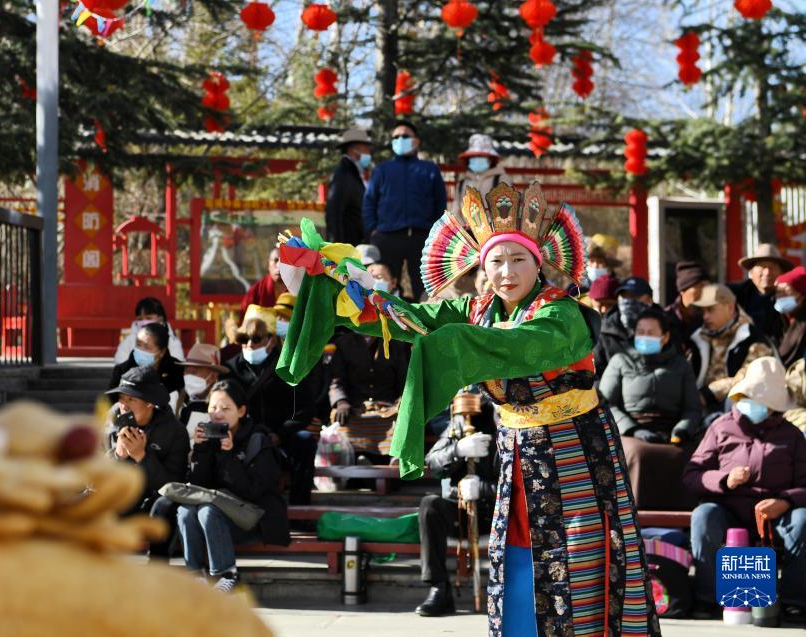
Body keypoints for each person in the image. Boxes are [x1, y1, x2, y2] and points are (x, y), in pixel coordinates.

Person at [277, 181, 661, 636]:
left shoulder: (562, 314)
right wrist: (347, 288)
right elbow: (411, 319)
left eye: (518, 260)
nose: (506, 272)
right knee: (516, 554)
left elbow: (513, 347)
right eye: (495, 261)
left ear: (538, 263)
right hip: (518, 451)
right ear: (481, 265)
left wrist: (449, 339)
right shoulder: (478, 309)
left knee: (579, 560)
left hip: (574, 452)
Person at [682, 357, 806, 623]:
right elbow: (692, 475)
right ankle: (707, 598)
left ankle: (794, 602)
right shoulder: (720, 427)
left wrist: (785, 501)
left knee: (803, 520)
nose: (752, 402)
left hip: (775, 515)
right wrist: (724, 480)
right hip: (728, 509)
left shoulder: (793, 436)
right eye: (748, 396)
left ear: (774, 406)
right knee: (704, 515)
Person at [177, 380, 290, 592]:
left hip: (254, 518)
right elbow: (199, 487)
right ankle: (195, 575)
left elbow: (251, 492)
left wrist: (228, 455)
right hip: (217, 518)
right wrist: (201, 450)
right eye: (213, 407)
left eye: (225, 408)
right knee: (185, 511)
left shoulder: (258, 440)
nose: (218, 413)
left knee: (208, 511)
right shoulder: (209, 437)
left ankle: (228, 575)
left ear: (241, 411)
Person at [599, 308, 701, 510]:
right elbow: (605, 403)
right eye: (641, 332)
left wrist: (682, 430)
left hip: (670, 431)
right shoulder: (620, 360)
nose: (645, 337)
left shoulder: (681, 365)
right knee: (640, 454)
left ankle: (679, 518)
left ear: (665, 337)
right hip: (630, 430)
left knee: (686, 455)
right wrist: (634, 429)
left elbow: (692, 408)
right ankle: (636, 514)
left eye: (651, 333)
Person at [225, 305, 320, 505]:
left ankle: (300, 507)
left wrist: (280, 434)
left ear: (272, 340)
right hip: (243, 435)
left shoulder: (289, 366)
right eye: (244, 339)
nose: (249, 344)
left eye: (256, 339)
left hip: (283, 436)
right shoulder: (231, 368)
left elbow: (305, 408)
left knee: (304, 441)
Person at [416, 396, 497, 617]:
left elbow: (523, 484)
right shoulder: (461, 423)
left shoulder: (509, 425)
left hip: (498, 513)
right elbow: (433, 462)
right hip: (460, 511)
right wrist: (457, 450)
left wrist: (484, 489)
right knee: (430, 505)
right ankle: (439, 587)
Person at [104, 365, 189, 548]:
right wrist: (117, 456)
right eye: (121, 398)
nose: (123, 405)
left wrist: (142, 457)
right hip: (118, 499)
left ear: (150, 402)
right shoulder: (111, 423)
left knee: (164, 506)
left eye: (131, 399)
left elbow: (173, 486)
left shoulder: (175, 431)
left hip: (153, 504)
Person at [362, 120, 447, 301]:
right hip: (387, 236)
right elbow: (369, 202)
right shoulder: (382, 169)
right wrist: (373, 231)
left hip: (422, 238)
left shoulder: (430, 169)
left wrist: (436, 235)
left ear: (416, 141)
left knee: (426, 288)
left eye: (405, 136)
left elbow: (440, 204)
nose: (400, 140)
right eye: (396, 137)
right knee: (384, 285)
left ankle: (426, 319)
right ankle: (384, 319)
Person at [688, 283, 773, 417]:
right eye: (703, 311)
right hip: (696, 409)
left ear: (730, 308)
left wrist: (709, 394)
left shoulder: (752, 337)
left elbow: (752, 377)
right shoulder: (699, 337)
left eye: (710, 310)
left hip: (738, 411)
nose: (705, 317)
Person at [328, 329, 410, 425]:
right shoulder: (343, 343)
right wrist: (341, 401)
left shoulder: (396, 343)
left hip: (390, 409)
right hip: (354, 409)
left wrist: (402, 402)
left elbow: (406, 382)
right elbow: (336, 381)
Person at [729, 243, 792, 346]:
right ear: (751, 271)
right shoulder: (735, 293)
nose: (767, 272)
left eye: (772, 267)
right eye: (762, 266)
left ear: (781, 272)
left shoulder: (789, 296)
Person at [109, 322, 184, 405]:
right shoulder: (122, 370)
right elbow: (110, 402)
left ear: (162, 352)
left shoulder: (177, 371)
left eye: (146, 347)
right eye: (138, 344)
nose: (140, 350)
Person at [593, 276, 654, 378]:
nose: (628, 301)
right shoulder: (604, 332)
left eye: (634, 297)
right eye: (624, 296)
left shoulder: (664, 328)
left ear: (649, 301)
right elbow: (594, 376)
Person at [325, 129, 372, 246]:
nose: (368, 153)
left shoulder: (354, 173)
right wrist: (336, 247)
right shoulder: (343, 174)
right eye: (366, 149)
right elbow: (334, 213)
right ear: (353, 150)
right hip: (347, 245)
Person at [178, 343, 229, 439]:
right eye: (186, 371)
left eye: (194, 372)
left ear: (213, 376)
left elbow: (218, 439)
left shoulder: (224, 406)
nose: (188, 376)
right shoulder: (178, 399)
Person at [114, 297, 185, 365]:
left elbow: (177, 365)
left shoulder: (172, 342)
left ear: (160, 319)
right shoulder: (129, 341)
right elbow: (120, 363)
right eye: (140, 319)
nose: (144, 322)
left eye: (148, 318)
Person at [663, 260, 708, 356]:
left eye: (708, 287)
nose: (705, 292)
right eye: (700, 286)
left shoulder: (710, 319)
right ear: (683, 290)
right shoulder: (665, 320)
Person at [455, 133, 513, 201]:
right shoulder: (462, 182)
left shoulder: (501, 180)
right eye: (473, 156)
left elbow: (508, 205)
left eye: (481, 156)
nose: (476, 159)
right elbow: (456, 206)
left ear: (490, 159)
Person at [240, 248, 287, 319]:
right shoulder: (256, 290)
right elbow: (243, 318)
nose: (279, 265)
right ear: (268, 264)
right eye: (276, 260)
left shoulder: (297, 290)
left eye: (283, 261)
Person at [774, 265, 806, 368]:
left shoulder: (802, 322)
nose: (780, 295)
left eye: (786, 290)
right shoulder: (780, 319)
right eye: (778, 291)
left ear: (801, 294)